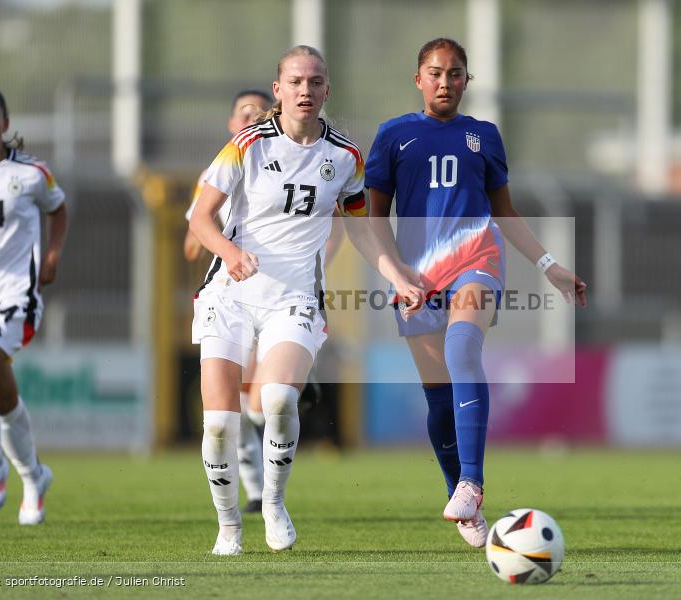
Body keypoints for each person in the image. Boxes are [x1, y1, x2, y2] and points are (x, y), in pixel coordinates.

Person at [189, 45, 422, 555]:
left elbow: (361, 230)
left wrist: (395, 275)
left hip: (294, 297)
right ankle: (228, 525)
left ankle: (273, 502)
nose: (305, 90)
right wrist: (229, 251)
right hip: (228, 295)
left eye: (315, 82)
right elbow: (200, 218)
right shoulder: (246, 145)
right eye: (295, 81)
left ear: (326, 91)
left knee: (276, 399)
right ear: (278, 90)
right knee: (222, 423)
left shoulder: (345, 157)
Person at [366, 38, 587, 548]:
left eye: (456, 74)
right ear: (418, 78)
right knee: (439, 401)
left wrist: (549, 266)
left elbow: (504, 212)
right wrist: (396, 272)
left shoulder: (483, 136)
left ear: (468, 80)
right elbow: (375, 217)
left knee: (463, 349)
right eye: (436, 73)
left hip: (476, 261)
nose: (446, 83)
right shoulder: (393, 135)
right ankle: (460, 498)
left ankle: (472, 483)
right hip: (417, 276)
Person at [0, 85, 67, 524]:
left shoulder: (31, 173)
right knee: (2, 396)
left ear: (4, 122)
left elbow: (58, 210)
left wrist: (53, 256)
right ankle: (34, 473)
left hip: (14, 298)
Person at [184, 89, 273, 515]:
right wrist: (219, 242)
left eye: (260, 112)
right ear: (231, 124)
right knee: (231, 404)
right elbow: (191, 240)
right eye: (244, 112)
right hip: (230, 290)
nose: (252, 118)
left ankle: (263, 488)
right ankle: (254, 489)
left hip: (276, 293)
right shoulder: (214, 173)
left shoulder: (282, 160)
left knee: (257, 399)